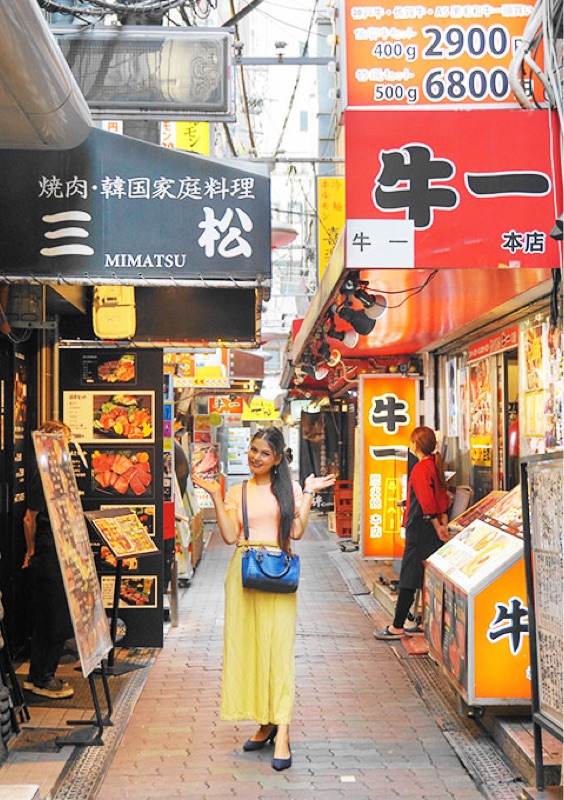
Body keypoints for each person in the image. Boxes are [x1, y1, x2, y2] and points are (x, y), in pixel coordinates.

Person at [193, 427, 335, 771]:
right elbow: (229, 537)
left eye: (264, 453)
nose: (256, 457)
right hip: (243, 576)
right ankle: (265, 722)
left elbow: (297, 532)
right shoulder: (238, 491)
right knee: (251, 651)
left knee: (278, 651)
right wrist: (214, 494)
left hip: (279, 575)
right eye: (253, 450)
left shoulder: (288, 490)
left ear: (277, 459)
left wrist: (309, 495)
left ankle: (282, 730)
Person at [374, 426, 450, 640]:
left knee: (409, 576)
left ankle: (397, 626)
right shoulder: (434, 466)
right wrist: (442, 523)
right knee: (428, 577)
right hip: (431, 529)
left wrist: (437, 525)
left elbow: (426, 503)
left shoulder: (420, 468)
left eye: (411, 441)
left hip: (420, 528)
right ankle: (426, 622)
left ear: (415, 445)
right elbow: (442, 498)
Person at [22, 420, 75, 699]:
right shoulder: (42, 476)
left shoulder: (58, 474)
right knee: (53, 619)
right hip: (48, 554)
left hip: (58, 553)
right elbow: (29, 519)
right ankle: (44, 678)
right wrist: (31, 552)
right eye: (62, 441)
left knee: (47, 619)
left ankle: (35, 676)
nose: (66, 447)